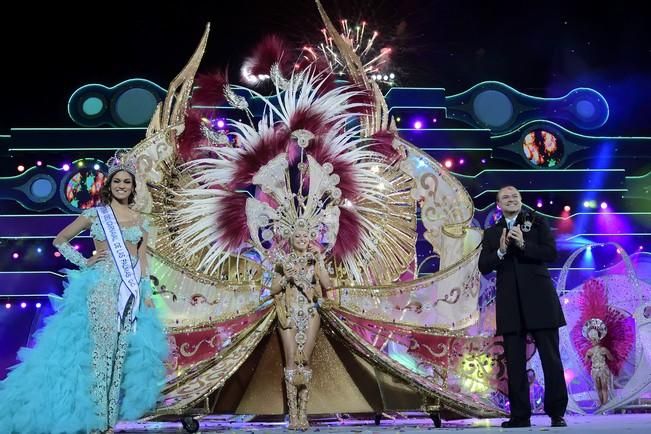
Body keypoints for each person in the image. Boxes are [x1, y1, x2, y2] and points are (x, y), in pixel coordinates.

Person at [0, 152, 168, 434]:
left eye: (127, 182)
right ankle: (96, 421)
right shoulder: (95, 214)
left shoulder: (141, 221)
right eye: (117, 181)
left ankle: (109, 421)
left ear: (132, 186)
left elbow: (142, 261)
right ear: (109, 185)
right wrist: (84, 261)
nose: (122, 186)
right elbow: (60, 240)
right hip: (100, 287)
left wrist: (147, 293)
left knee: (120, 353)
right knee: (99, 353)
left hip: (130, 292)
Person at [478, 185, 568, 428]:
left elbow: (551, 253)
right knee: (515, 363)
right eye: (505, 197)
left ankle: (556, 412)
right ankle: (520, 415)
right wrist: (501, 250)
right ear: (498, 204)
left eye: (515, 196)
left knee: (551, 359)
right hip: (510, 305)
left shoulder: (536, 223)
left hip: (540, 301)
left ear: (521, 201)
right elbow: (483, 266)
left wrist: (523, 245)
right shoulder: (491, 233)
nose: (511, 199)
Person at [269, 220, 332, 430]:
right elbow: (273, 289)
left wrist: (320, 258)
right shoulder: (283, 261)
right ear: (291, 239)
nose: (302, 240)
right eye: (298, 236)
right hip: (288, 315)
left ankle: (304, 415)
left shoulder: (314, 261)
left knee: (304, 360)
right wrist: (287, 277)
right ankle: (293, 417)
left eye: (306, 236)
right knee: (290, 362)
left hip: (310, 313)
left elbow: (326, 284)